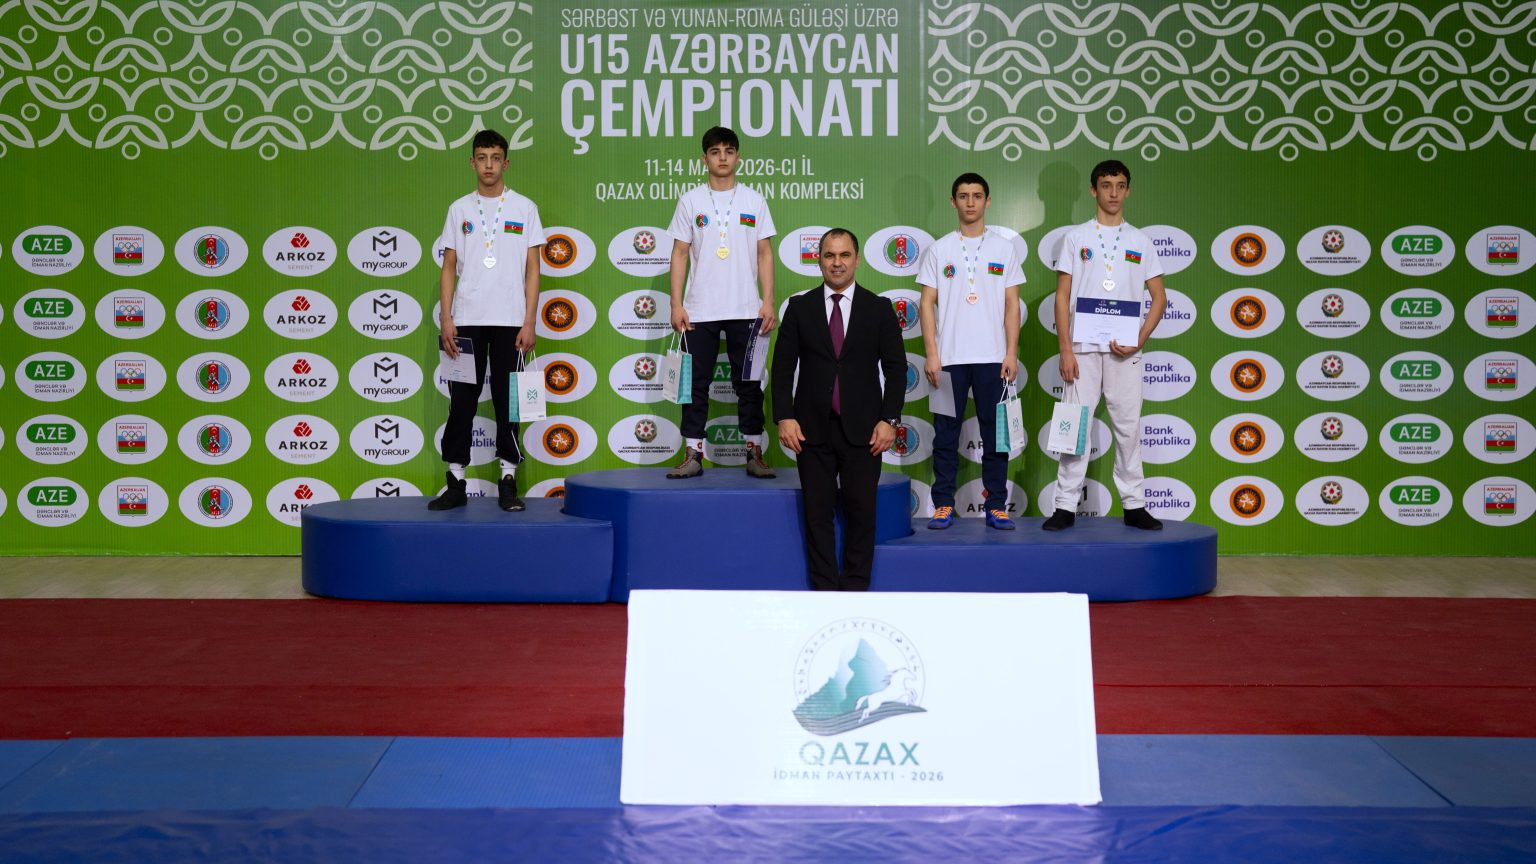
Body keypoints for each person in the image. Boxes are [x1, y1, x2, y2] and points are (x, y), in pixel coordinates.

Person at [772, 229, 906, 591]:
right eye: (830, 255)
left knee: (862, 514)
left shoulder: (878, 309)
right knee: (817, 516)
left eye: (844, 255)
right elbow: (782, 368)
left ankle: (855, 592)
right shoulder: (799, 308)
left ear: (857, 260)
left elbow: (896, 369)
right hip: (810, 431)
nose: (837, 263)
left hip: (865, 431)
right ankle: (824, 594)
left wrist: (890, 420)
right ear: (819, 260)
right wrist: (784, 416)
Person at [1044, 159, 1167, 531]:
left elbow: (1159, 298)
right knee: (1074, 427)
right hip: (1081, 349)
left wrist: (1138, 340)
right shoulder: (1076, 238)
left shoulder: (1140, 241)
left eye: (1120, 185)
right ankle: (1065, 506)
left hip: (1124, 352)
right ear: (1093, 190)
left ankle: (1134, 504)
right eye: (1106, 185)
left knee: (1128, 428)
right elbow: (1062, 296)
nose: (1113, 193)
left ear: (1128, 190)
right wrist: (1065, 349)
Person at [428, 129, 545, 512]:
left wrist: (529, 321)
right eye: (482, 158)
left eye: (495, 158)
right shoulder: (459, 209)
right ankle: (455, 481)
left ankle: (508, 479)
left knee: (510, 402)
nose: (489, 165)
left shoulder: (524, 208)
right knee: (462, 401)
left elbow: (533, 268)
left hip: (512, 320)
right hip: (466, 320)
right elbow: (448, 266)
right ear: (472, 162)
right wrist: (447, 317)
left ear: (506, 163)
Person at [665, 126, 778, 479]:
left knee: (750, 383)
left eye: (729, 151)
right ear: (705, 159)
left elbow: (764, 253)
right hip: (699, 310)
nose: (723, 157)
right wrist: (676, 304)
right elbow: (679, 253)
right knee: (694, 384)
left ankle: (753, 450)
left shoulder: (754, 200)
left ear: (738, 157)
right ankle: (693, 453)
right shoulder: (691, 201)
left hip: (746, 308)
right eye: (715, 152)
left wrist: (768, 301)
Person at [917, 172, 1025, 531]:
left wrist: (1011, 353)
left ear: (987, 201)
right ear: (953, 202)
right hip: (948, 360)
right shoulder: (940, 250)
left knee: (996, 436)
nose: (970, 202)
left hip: (993, 359)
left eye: (977, 195)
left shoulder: (1004, 249)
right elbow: (926, 304)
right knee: (945, 434)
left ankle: (996, 506)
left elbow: (1012, 304)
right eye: (963, 196)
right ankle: (943, 504)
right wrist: (932, 354)